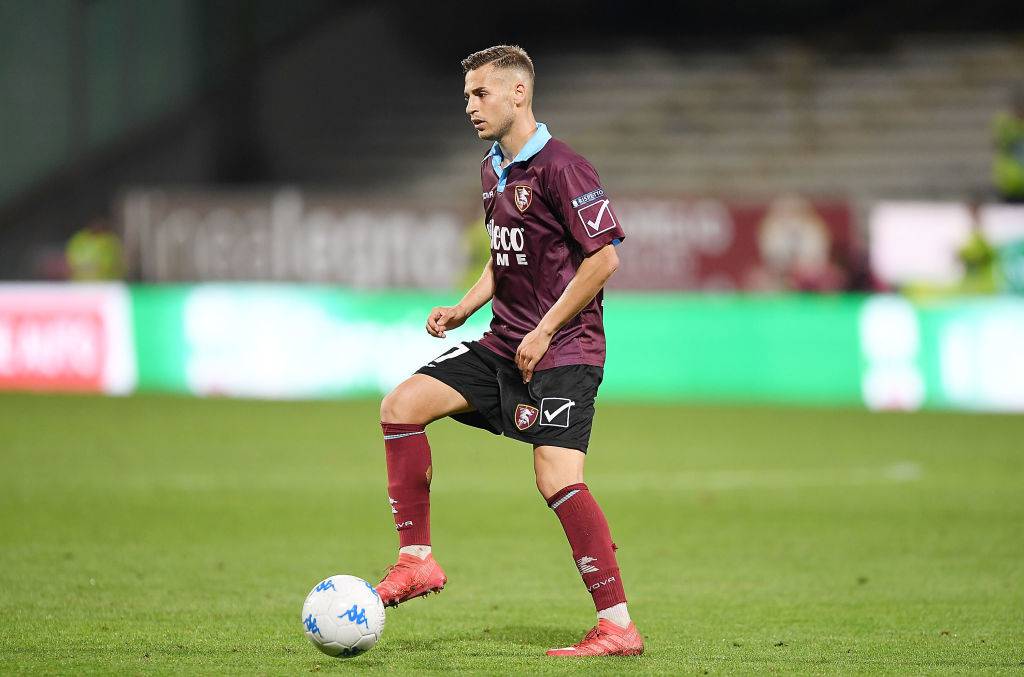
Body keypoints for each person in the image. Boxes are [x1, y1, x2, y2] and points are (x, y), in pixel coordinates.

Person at [374, 45, 643, 657]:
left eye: (481, 93)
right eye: (468, 95)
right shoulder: (492, 170)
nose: (470, 106)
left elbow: (604, 259)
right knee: (401, 405)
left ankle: (618, 626)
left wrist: (545, 329)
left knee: (556, 478)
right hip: (504, 345)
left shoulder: (563, 167)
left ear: (519, 93)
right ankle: (416, 560)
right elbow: (506, 256)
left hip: (565, 348)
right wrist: (463, 309)